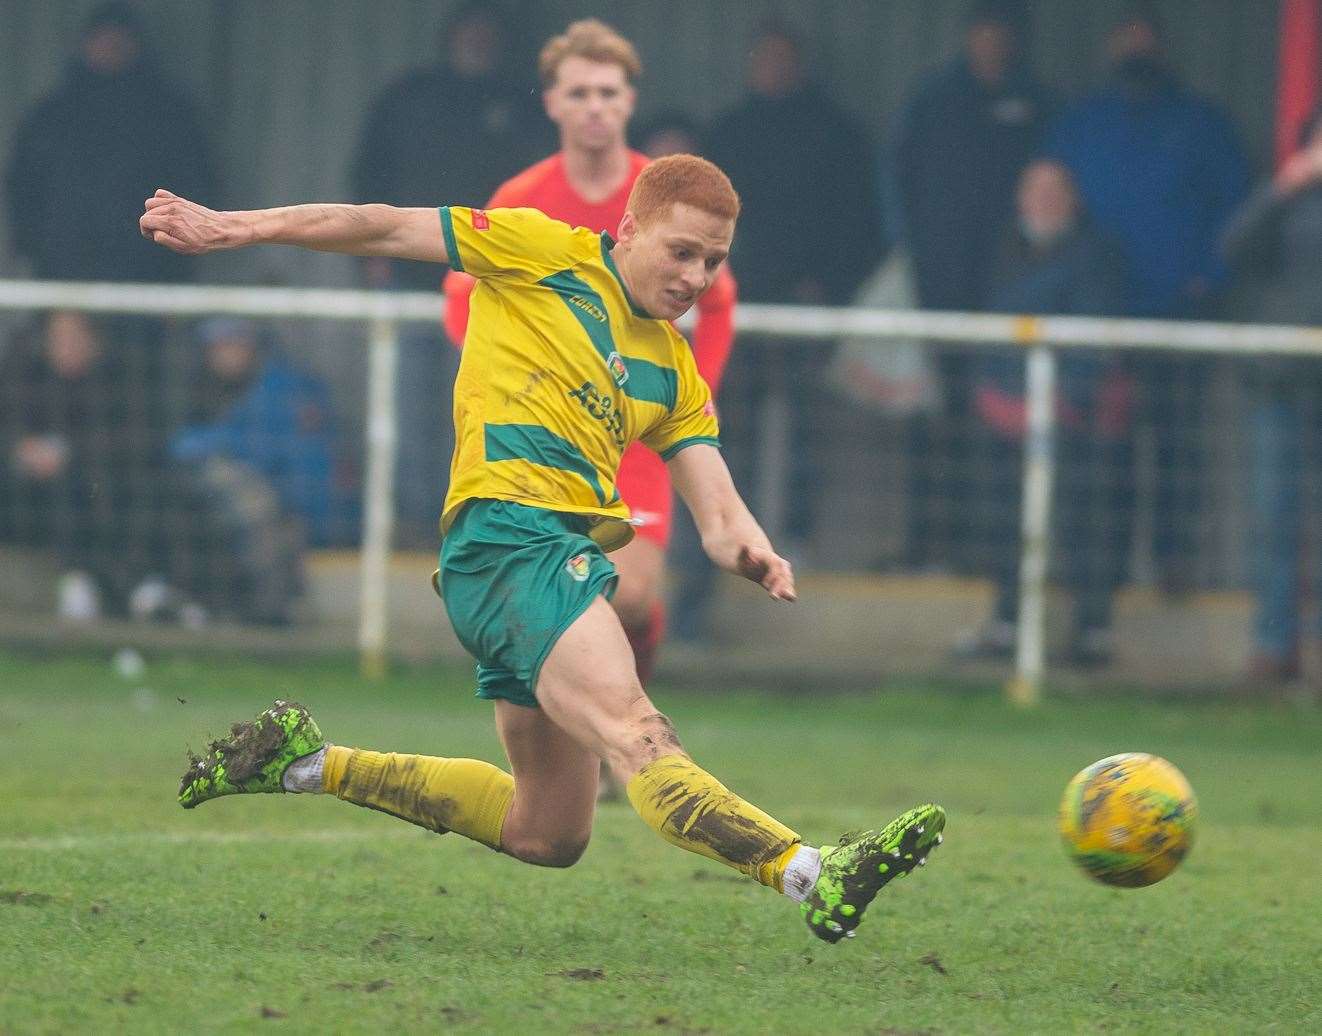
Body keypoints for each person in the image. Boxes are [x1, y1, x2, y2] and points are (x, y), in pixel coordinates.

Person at [142, 155, 945, 944]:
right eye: (682, 251)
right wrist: (237, 228)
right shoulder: (539, 249)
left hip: (546, 560)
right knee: (637, 731)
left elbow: (718, 505)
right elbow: (382, 228)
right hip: (507, 539)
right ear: (629, 228)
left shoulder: (675, 370)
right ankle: (811, 870)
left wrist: (751, 549)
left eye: (714, 260)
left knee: (547, 834)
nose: (697, 275)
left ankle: (304, 763)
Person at [442, 20, 738, 690]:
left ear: (631, 100)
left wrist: (696, 394)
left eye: (609, 91)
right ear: (551, 103)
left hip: (628, 427)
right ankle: (595, 739)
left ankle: (634, 672)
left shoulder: (663, 193)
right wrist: (505, 373)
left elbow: (717, 305)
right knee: (559, 597)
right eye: (579, 93)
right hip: (541, 433)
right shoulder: (521, 198)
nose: (595, 106)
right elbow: (460, 294)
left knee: (628, 596)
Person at [1045, 3, 1249, 593]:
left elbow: (1236, 214)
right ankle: (1095, 573)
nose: (1134, 53)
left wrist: (1206, 278)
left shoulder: (1201, 123)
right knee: (1097, 453)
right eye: (1124, 41)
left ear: (1161, 49)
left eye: (1144, 42)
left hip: (1174, 318)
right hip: (1094, 321)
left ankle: (1171, 560)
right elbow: (1051, 205)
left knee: (1176, 447)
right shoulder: (1081, 124)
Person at [350, 2, 542, 543]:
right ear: (450, 37)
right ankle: (413, 525)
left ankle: (480, 524)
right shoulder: (408, 99)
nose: (477, 42)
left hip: (495, 291)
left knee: (489, 412)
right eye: (468, 31)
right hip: (410, 287)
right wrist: (371, 257)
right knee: (406, 416)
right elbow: (367, 177)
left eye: (487, 32)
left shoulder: (522, 107)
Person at [704, 22, 884, 557]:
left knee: (807, 429)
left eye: (785, 59)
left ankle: (798, 536)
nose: (775, 69)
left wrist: (826, 285)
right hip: (737, 307)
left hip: (810, 308)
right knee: (729, 429)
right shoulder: (728, 133)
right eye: (767, 58)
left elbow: (858, 223)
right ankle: (730, 533)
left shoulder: (836, 134)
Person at [889, 0, 1052, 572]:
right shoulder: (934, 100)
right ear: (968, 36)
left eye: (1001, 32)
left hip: (1014, 297)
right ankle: (928, 543)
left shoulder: (1035, 104)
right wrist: (912, 258)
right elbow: (897, 184)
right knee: (933, 418)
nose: (992, 42)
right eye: (982, 31)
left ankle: (992, 554)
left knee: (1003, 422)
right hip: (938, 291)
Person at [955, 160, 1135, 668]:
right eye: (1034, 188)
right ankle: (1008, 622)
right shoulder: (997, 251)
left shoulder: (1097, 254)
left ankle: (1092, 630)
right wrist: (993, 395)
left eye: (1055, 190)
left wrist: (1062, 400)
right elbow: (983, 323)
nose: (1044, 199)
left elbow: (1095, 336)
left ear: (1074, 199)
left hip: (1076, 415)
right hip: (1004, 411)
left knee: (1086, 524)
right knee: (1002, 523)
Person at [4, 1, 215, 284]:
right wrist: (36, 251)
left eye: (119, 41)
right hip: (65, 267)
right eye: (103, 40)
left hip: (152, 267)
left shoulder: (168, 116)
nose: (111, 48)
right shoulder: (54, 116)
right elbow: (26, 187)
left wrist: (179, 262)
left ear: (137, 46)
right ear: (84, 45)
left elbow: (194, 183)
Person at [1221, 109, 1322, 687]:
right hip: (1283, 383)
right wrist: (1281, 191)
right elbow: (1232, 250)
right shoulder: (1282, 204)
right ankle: (1272, 643)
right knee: (1275, 519)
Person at [0, 311, 179, 620]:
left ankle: (94, 583)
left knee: (102, 490)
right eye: (58, 339)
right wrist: (20, 449)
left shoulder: (117, 385)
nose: (66, 346)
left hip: (92, 496)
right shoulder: (27, 377)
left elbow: (131, 443)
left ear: (95, 343)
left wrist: (69, 454)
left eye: (74, 338)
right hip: (24, 490)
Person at [172, 318, 358, 549]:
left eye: (232, 342)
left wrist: (193, 443)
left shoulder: (282, 386)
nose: (224, 353)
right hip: (297, 515)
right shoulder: (245, 385)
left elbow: (264, 449)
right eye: (217, 345)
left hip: (315, 519)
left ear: (251, 343)